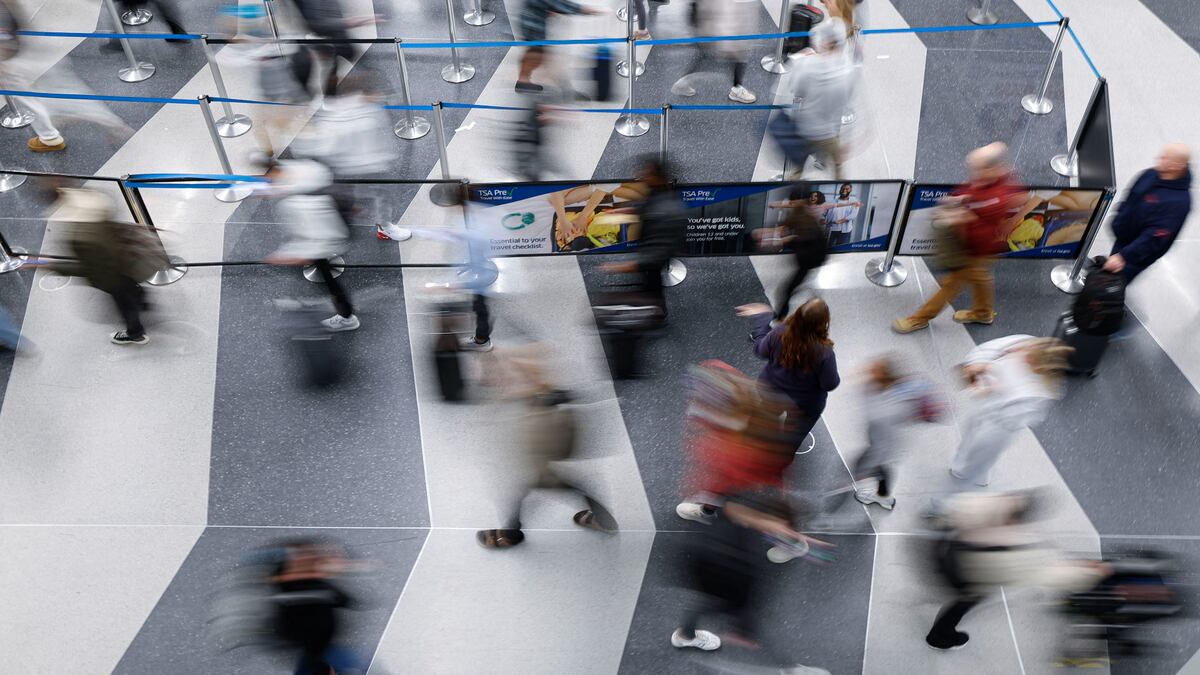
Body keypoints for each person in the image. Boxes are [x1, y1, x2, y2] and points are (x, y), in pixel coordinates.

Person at [926, 491, 1107, 651]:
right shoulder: (1018, 553)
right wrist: (1091, 574)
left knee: (958, 593)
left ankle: (939, 616)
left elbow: (957, 511)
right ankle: (939, 637)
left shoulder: (989, 506)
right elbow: (1051, 574)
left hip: (948, 551)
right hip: (971, 576)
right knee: (962, 603)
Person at [476, 345, 617, 548]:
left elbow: (532, 446)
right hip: (542, 453)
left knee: (531, 487)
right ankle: (603, 520)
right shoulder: (545, 395)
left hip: (537, 459)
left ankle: (509, 533)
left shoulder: (537, 408)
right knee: (549, 486)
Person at [892, 142, 1023, 333]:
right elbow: (972, 194)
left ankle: (920, 318)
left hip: (975, 249)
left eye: (978, 171)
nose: (974, 177)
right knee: (980, 277)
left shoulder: (997, 197)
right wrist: (961, 201)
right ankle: (983, 313)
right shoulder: (989, 180)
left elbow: (980, 230)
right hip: (978, 248)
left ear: (993, 168)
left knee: (952, 285)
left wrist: (960, 217)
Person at [941, 336, 1070, 495]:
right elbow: (988, 348)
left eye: (1031, 358)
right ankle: (961, 465)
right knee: (969, 431)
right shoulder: (1025, 343)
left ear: (1040, 367)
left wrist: (992, 386)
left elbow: (1017, 415)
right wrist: (976, 365)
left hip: (1000, 426)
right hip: (985, 405)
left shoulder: (1041, 390)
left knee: (982, 452)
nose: (1026, 355)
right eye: (1030, 352)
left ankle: (969, 481)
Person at [42, 188, 165, 345]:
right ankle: (143, 302)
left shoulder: (81, 237)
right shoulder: (97, 203)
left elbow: (88, 268)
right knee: (132, 289)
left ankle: (136, 334)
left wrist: (50, 265)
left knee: (125, 305)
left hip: (113, 277)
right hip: (128, 261)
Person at [259, 158, 360, 332]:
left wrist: (285, 257)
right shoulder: (305, 169)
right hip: (339, 217)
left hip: (329, 234)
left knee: (329, 279)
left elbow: (313, 240)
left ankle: (347, 317)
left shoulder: (293, 204)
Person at [737, 297, 840, 444]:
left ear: (797, 316)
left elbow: (760, 350)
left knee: (762, 421)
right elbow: (829, 384)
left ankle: (750, 442)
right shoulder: (825, 353)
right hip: (803, 404)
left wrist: (762, 319)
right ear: (823, 324)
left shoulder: (780, 333)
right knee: (792, 438)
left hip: (772, 391)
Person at [769, 18, 855, 179]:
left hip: (805, 130)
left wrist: (799, 58)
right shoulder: (848, 70)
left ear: (825, 42)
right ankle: (841, 190)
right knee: (838, 168)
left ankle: (793, 192)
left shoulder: (807, 65)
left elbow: (795, 90)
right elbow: (849, 101)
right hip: (830, 133)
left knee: (797, 170)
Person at [600, 157, 686, 312]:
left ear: (659, 177)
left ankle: (656, 313)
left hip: (652, 259)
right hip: (648, 255)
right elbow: (646, 206)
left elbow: (658, 251)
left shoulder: (666, 211)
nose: (643, 175)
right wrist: (625, 211)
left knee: (651, 285)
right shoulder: (659, 194)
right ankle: (654, 307)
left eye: (648, 173)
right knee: (651, 283)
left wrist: (629, 266)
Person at [269, 539, 362, 674]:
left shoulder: (314, 585)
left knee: (316, 663)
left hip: (314, 641)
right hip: (313, 640)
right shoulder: (308, 587)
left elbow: (346, 600)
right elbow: (346, 600)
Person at [1103, 143, 1192, 283]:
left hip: (1135, 255)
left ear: (1175, 165)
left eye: (1164, 158)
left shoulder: (1178, 204)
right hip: (1124, 238)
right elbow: (1131, 195)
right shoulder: (1151, 174)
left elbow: (1153, 239)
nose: (1158, 159)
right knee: (1107, 271)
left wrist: (1124, 257)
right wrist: (1120, 215)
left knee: (1112, 283)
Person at [762, 188, 829, 321]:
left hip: (809, 257)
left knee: (787, 289)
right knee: (796, 284)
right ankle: (786, 312)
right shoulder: (805, 211)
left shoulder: (795, 216)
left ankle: (781, 316)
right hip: (818, 253)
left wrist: (765, 236)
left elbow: (782, 231)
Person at [517, 0, 604, 93]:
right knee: (537, 51)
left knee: (538, 51)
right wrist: (584, 10)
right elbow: (557, 3)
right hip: (533, 21)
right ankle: (525, 81)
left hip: (533, 19)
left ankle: (524, 81)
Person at [822, 182, 861, 248]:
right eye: (842, 188)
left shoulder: (855, 202)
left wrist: (840, 221)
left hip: (844, 231)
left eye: (847, 189)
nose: (844, 190)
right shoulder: (832, 201)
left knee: (841, 249)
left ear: (850, 190)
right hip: (831, 229)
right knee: (827, 248)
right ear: (840, 190)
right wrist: (822, 219)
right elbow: (823, 213)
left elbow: (853, 215)